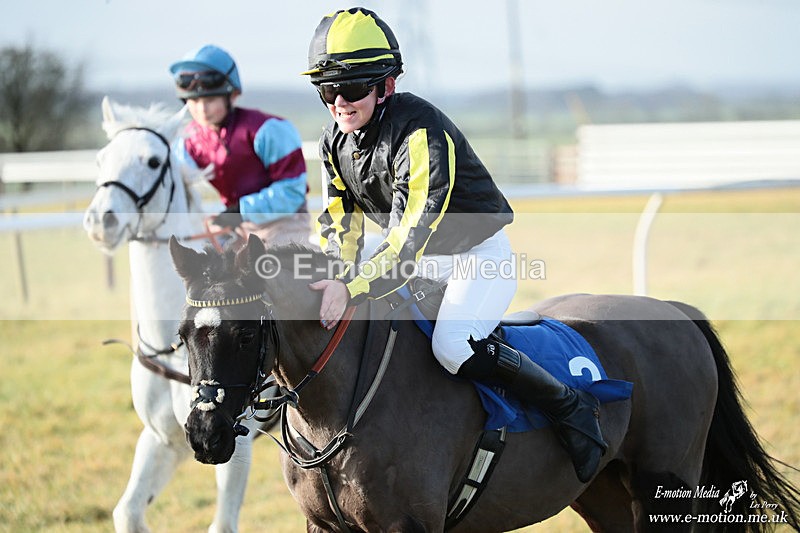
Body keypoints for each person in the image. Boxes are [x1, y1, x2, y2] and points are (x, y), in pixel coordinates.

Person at [303, 8, 607, 483]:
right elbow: (339, 224)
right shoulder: (332, 141)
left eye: (354, 87)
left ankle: (569, 407)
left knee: (451, 346)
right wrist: (337, 276)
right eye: (328, 90)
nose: (340, 102)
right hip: (415, 259)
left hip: (474, 257)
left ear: (387, 85)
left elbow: (408, 239)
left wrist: (353, 289)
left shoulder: (420, 131)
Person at [170, 44, 311, 245]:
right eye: (194, 101)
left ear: (233, 94)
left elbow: (292, 193)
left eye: (210, 99)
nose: (202, 109)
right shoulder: (187, 142)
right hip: (235, 228)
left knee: (269, 272)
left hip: (284, 225)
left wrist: (240, 211)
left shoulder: (268, 130)